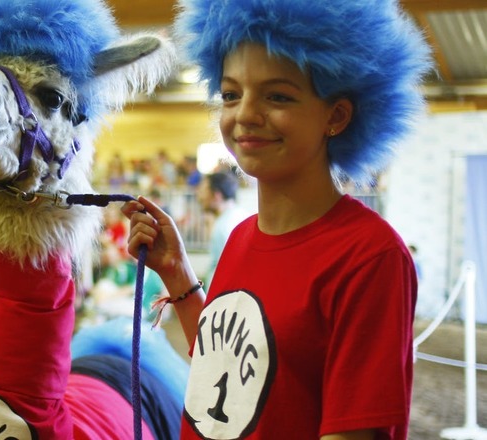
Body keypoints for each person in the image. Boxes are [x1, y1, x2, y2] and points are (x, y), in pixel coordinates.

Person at [122, 1, 430, 439]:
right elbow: (226, 369)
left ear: (336, 116)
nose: (245, 114)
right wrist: (176, 273)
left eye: (277, 96)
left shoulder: (369, 257)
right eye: (231, 94)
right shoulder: (243, 237)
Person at [197, 171, 251, 284]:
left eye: (203, 191)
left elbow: (230, 270)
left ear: (216, 195)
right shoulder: (243, 217)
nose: (199, 197)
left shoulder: (223, 227)